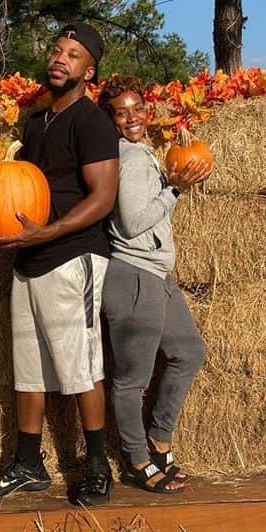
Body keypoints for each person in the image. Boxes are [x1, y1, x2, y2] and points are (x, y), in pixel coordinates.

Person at [0, 23, 121, 506]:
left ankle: (96, 466)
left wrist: (50, 232)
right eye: (57, 50)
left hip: (74, 257)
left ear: (88, 70)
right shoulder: (36, 122)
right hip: (30, 259)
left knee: (81, 365)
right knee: (28, 368)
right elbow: (22, 190)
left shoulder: (93, 123)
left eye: (73, 55)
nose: (60, 59)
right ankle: (28, 464)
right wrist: (2, 229)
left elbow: (103, 198)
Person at [97, 75, 210, 493]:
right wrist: (175, 190)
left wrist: (174, 166)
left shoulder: (141, 152)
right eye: (120, 112)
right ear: (110, 119)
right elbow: (132, 221)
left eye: (137, 108)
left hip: (156, 273)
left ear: (148, 110)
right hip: (133, 275)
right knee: (131, 380)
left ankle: (159, 438)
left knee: (188, 352)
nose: (132, 118)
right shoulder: (125, 157)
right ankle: (138, 461)